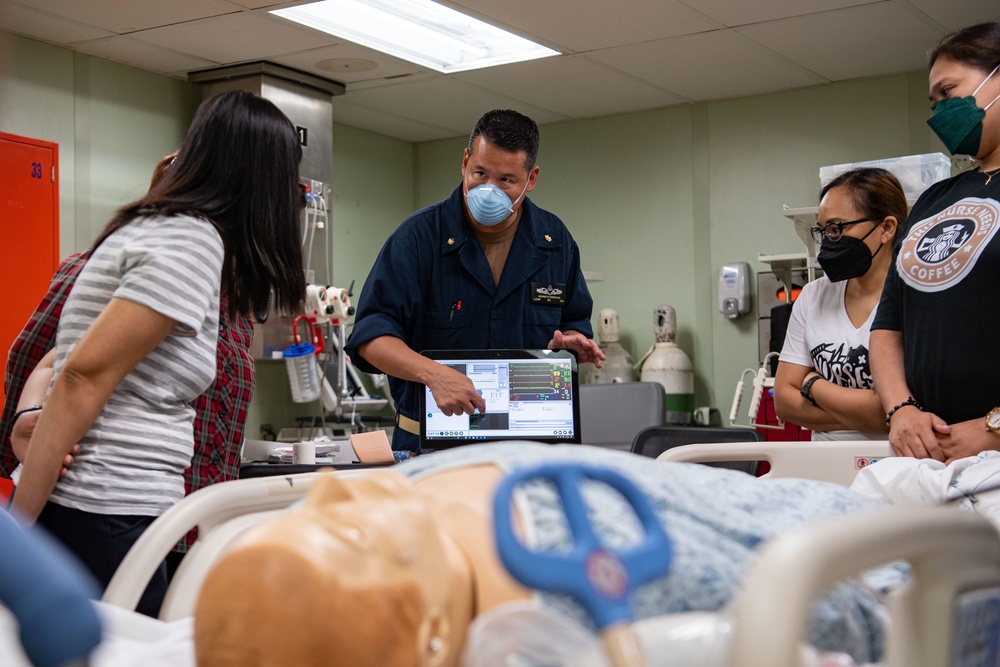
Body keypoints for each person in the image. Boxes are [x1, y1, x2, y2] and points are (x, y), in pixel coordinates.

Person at [193, 443, 895, 667]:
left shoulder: (384, 493)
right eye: (348, 532)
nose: (334, 492)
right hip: (883, 551)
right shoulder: (574, 589)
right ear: (436, 641)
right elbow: (841, 608)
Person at [9, 89, 305, 616]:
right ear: (262, 179)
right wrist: (19, 531)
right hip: (106, 506)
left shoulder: (161, 230)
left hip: (113, 508)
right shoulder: (191, 240)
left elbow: (70, 360)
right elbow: (80, 375)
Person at [2, 151, 256, 574]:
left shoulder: (230, 300)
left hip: (185, 509)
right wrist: (29, 415)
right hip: (111, 495)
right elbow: (45, 358)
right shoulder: (102, 267)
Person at [344, 109, 605, 453]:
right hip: (431, 448)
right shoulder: (419, 238)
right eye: (480, 173)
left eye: (506, 180)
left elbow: (573, 328)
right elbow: (370, 338)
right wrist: (433, 374)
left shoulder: (555, 242)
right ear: (465, 161)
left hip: (529, 447)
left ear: (531, 179)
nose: (489, 189)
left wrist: (574, 342)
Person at [870, 21, 1000, 463]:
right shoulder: (933, 200)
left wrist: (993, 428)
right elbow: (889, 325)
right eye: (934, 102)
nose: (940, 112)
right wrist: (901, 410)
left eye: (948, 92)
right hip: (925, 452)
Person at [774, 167, 905, 440]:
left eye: (837, 228)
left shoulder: (913, 298)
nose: (829, 241)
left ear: (886, 228)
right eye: (822, 231)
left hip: (893, 467)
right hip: (824, 469)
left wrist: (812, 384)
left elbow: (891, 412)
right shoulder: (813, 297)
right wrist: (868, 416)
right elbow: (784, 401)